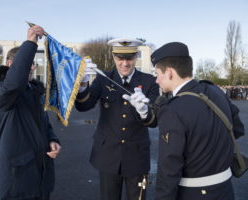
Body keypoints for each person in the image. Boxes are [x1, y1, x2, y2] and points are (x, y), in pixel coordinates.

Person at [151, 42, 245, 200]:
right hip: (225, 189)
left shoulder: (173, 110)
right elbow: (238, 130)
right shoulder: (215, 91)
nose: (157, 81)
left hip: (194, 193)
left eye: (158, 74)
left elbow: (169, 170)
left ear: (169, 72)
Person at [75, 38, 159, 200]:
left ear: (136, 57)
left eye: (130, 58)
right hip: (108, 156)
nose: (125, 63)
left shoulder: (149, 82)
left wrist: (144, 111)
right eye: (120, 58)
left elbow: (154, 121)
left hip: (137, 156)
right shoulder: (103, 78)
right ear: (113, 57)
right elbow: (84, 106)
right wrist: (83, 84)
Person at [0, 25, 61, 200]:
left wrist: (52, 139)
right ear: (11, 65)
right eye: (28, 64)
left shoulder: (33, 91)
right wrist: (30, 44)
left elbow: (43, 122)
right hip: (17, 177)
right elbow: (13, 84)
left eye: (33, 64)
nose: (32, 68)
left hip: (40, 171)